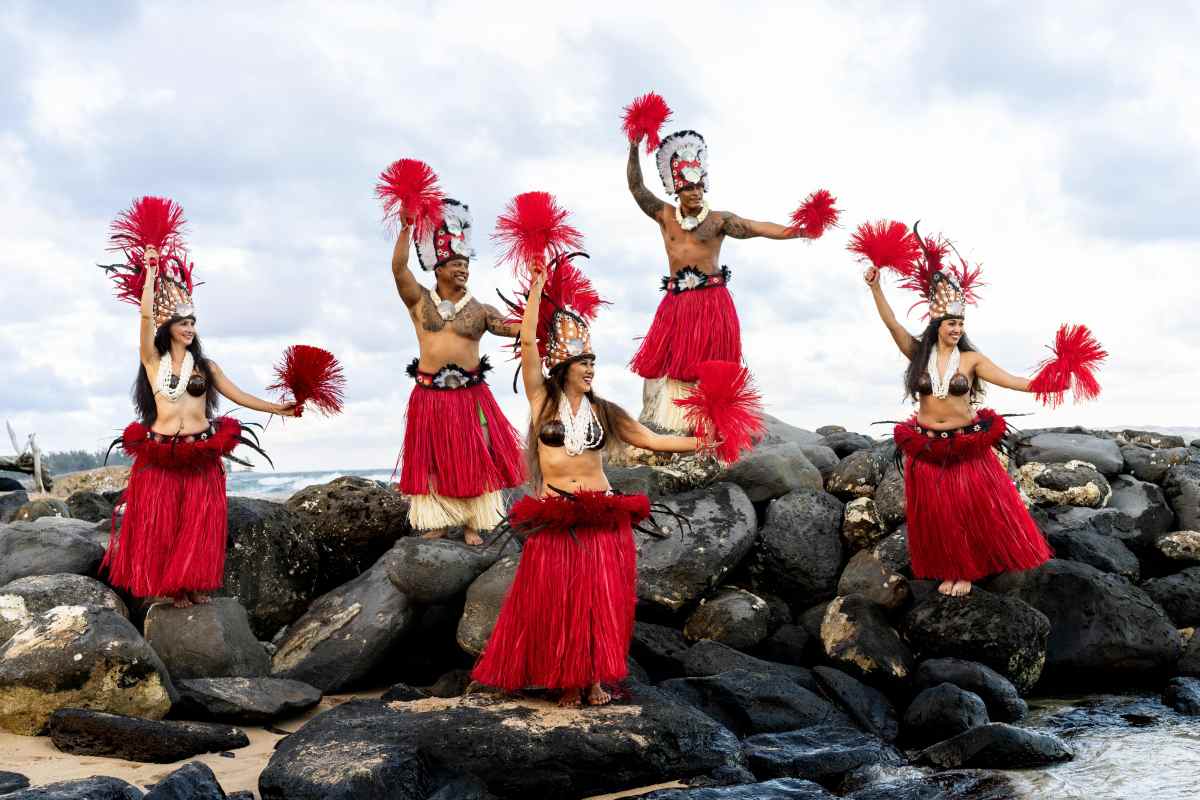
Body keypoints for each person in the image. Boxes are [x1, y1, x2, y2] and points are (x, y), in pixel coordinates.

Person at [472, 252, 710, 708]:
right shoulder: (542, 401)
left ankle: (595, 679)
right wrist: (539, 288)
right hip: (556, 516)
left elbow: (651, 440)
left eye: (593, 361)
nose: (590, 367)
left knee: (600, 601)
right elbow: (526, 349)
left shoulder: (605, 410)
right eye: (583, 361)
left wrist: (702, 443)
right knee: (558, 601)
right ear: (564, 366)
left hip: (600, 515)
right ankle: (566, 680)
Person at [858, 221, 1104, 597]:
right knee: (938, 516)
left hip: (964, 446)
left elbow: (1014, 381)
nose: (957, 329)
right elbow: (891, 323)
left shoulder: (971, 360)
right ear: (937, 324)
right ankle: (950, 568)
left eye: (961, 323)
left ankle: (966, 572)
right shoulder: (917, 354)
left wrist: (1054, 381)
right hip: (926, 447)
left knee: (964, 512)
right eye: (951, 323)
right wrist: (876, 286)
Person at [100, 197, 293, 608]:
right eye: (182, 323)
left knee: (197, 525)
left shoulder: (205, 365)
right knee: (163, 524)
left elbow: (238, 395)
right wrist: (151, 271)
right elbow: (144, 318)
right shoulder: (151, 362)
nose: (189, 328)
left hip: (200, 452)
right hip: (161, 455)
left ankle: (191, 584)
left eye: (193, 322)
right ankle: (172, 589)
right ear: (169, 326)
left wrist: (279, 408)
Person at [625, 129, 807, 433]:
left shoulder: (718, 221)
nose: (696, 193)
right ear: (677, 191)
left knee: (713, 368)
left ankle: (712, 430)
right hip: (675, 303)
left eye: (699, 187)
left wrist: (798, 231)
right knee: (661, 366)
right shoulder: (665, 216)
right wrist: (633, 146)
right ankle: (661, 424)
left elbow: (757, 227)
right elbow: (636, 187)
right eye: (689, 189)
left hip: (712, 304)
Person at [390, 198, 525, 545]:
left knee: (475, 455)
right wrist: (406, 229)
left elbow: (515, 329)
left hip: (470, 395)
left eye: (466, 264)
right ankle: (438, 519)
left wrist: (537, 303)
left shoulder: (481, 311)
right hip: (429, 394)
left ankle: (471, 523)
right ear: (438, 268)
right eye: (456, 264)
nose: (463, 269)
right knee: (433, 458)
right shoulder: (419, 300)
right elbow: (399, 269)